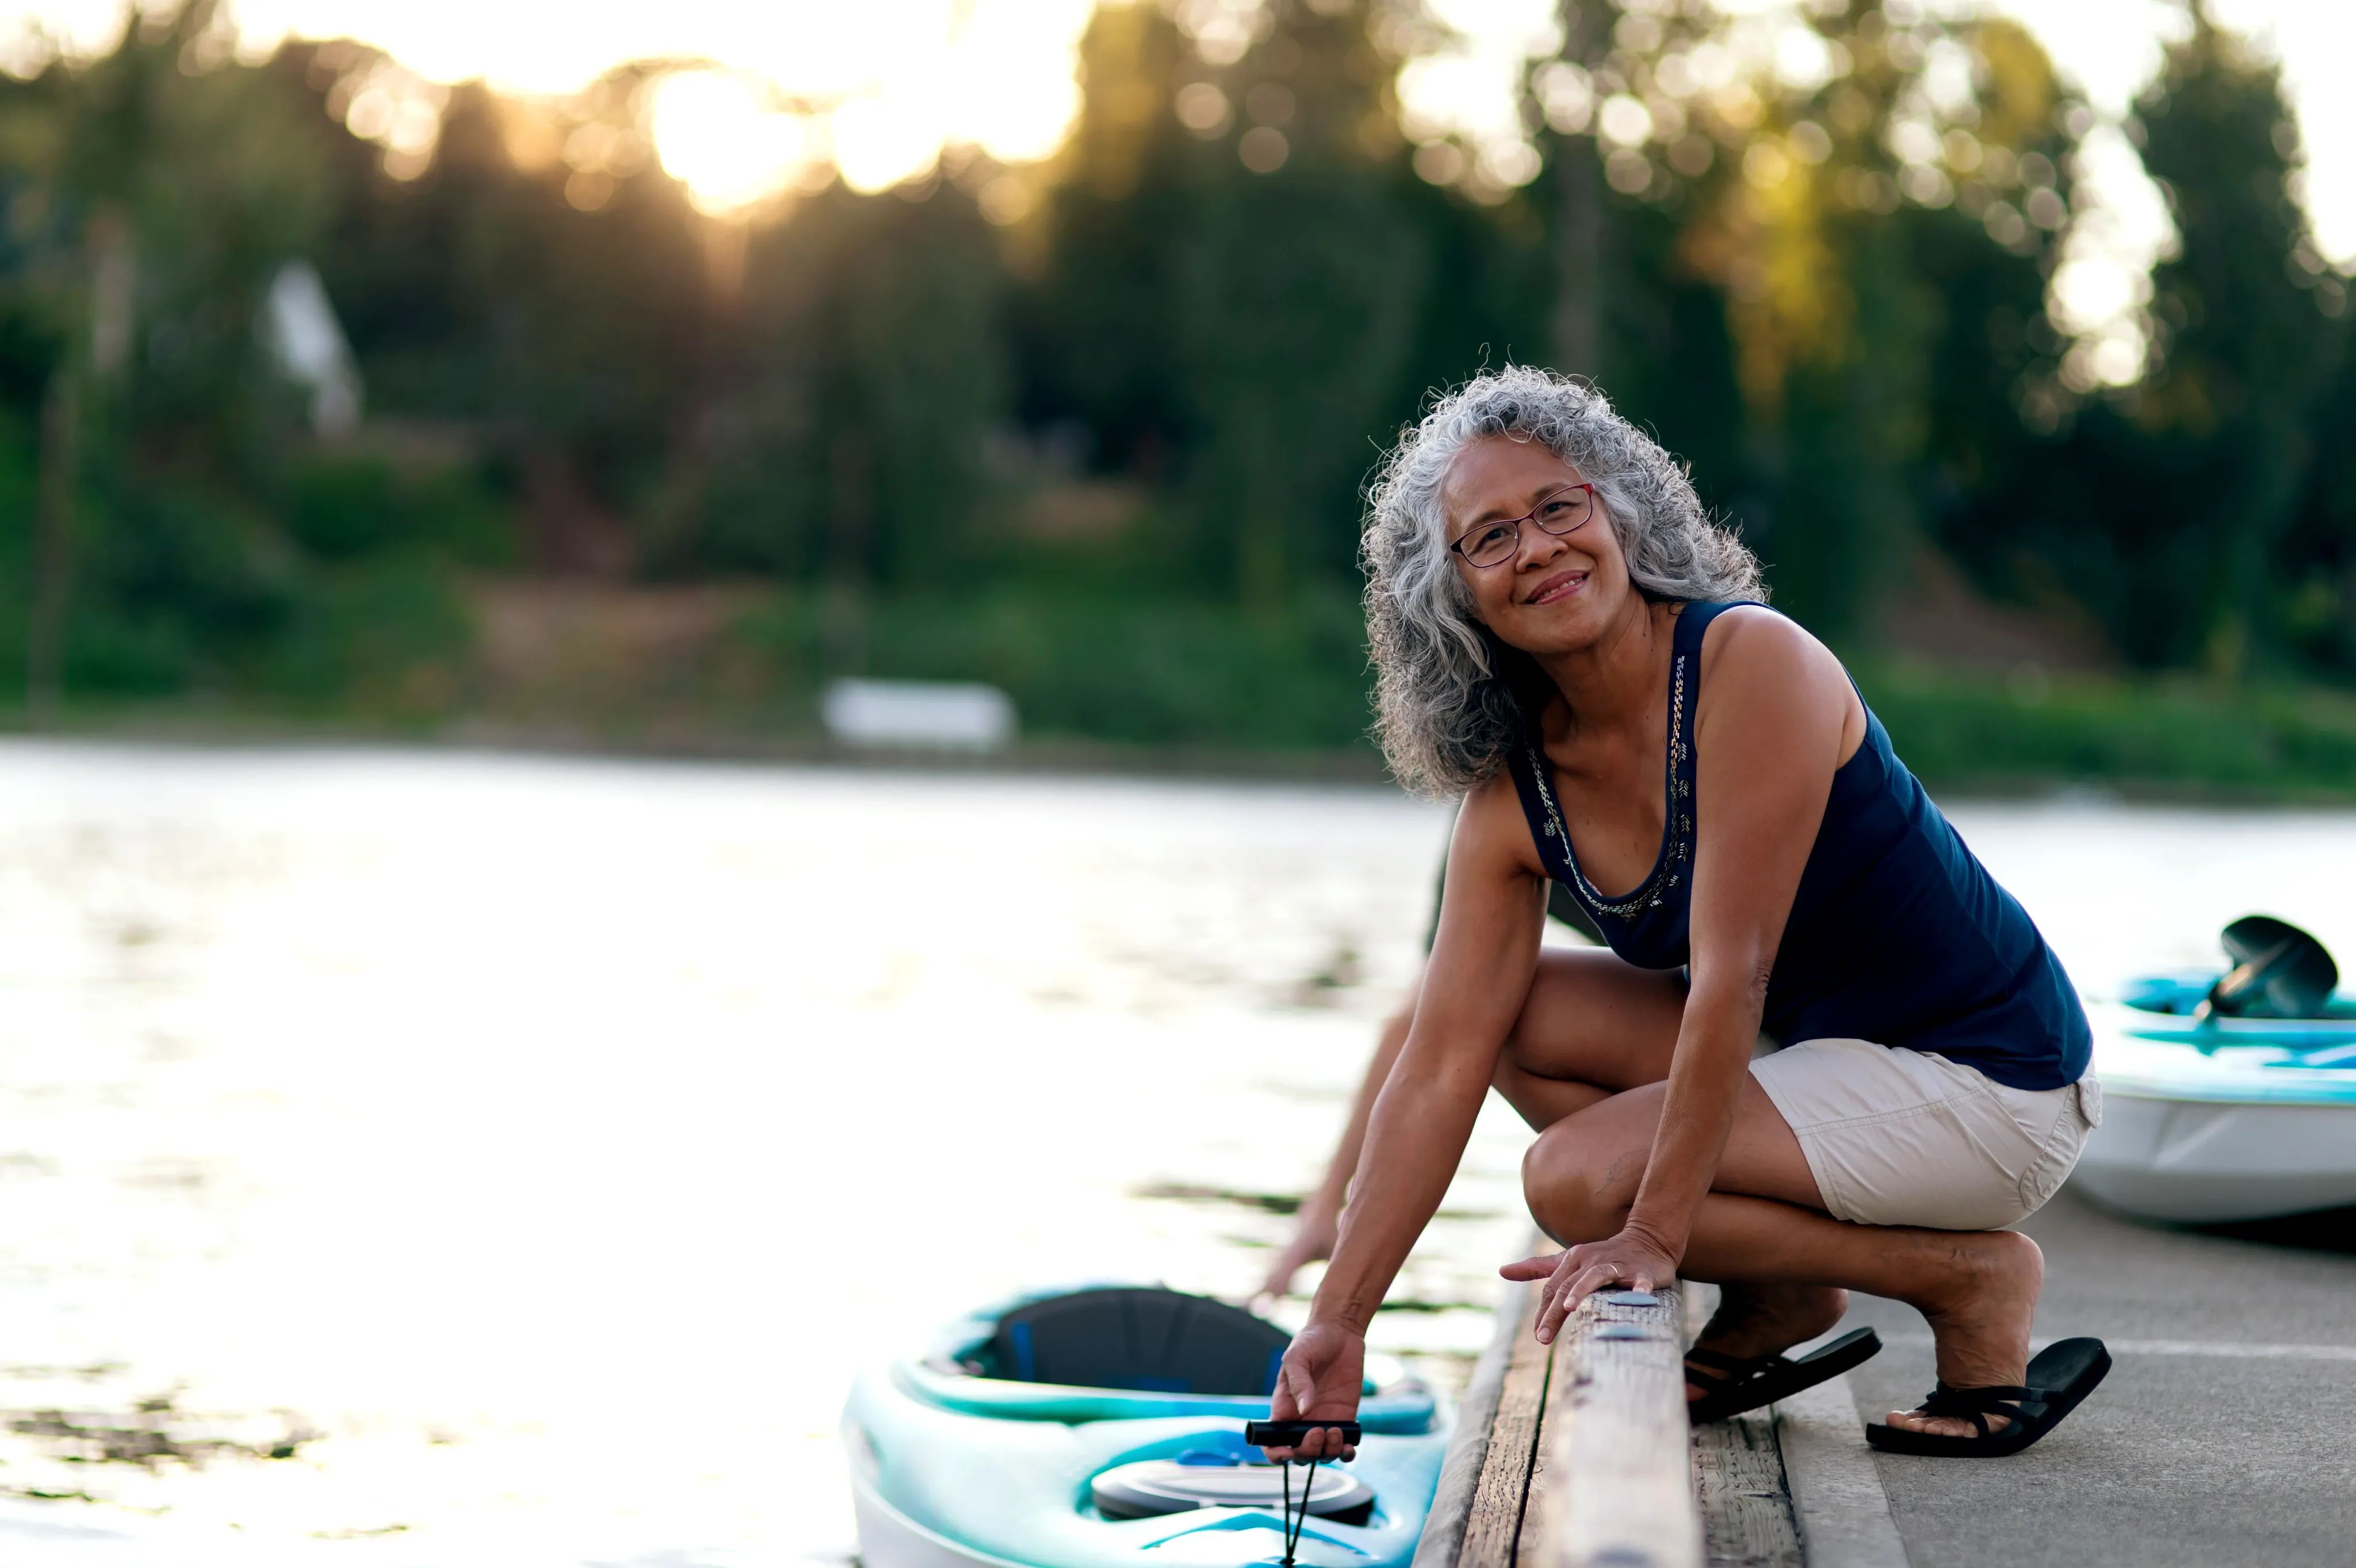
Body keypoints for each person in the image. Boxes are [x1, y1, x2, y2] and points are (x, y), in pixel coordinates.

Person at [1264, 366, 2106, 1462]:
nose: (1538, 549)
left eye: (1558, 506)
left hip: (1991, 1080)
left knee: (1575, 1180)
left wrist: (1652, 1236)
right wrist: (1339, 1320)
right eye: (1491, 537)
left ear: (1618, 509)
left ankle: (1968, 1279)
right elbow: (1437, 1065)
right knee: (1496, 1014)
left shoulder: (1752, 662)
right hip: (1819, 1055)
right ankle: (1782, 1290)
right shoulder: (1512, 794)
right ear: (1452, 594)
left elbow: (1731, 978)